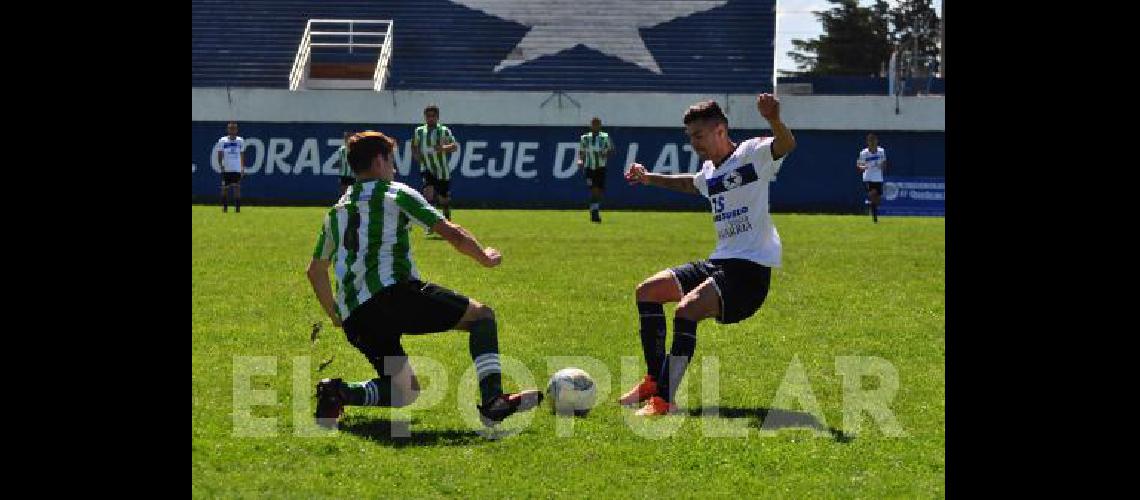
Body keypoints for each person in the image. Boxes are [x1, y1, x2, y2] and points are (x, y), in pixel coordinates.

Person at [306, 130, 541, 429]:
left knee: (405, 391)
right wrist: (485, 257)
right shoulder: (394, 193)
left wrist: (336, 315)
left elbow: (315, 270)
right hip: (394, 297)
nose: (394, 167)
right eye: (391, 160)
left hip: (357, 315)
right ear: (379, 161)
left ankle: (338, 392)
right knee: (482, 317)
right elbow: (451, 232)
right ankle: (493, 401)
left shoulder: (336, 211)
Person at [619, 95, 795, 416]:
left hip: (749, 273)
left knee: (686, 312)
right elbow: (692, 185)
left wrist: (774, 119)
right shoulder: (710, 169)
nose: (693, 143)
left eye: (698, 136)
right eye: (690, 137)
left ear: (719, 130)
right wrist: (649, 178)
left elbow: (786, 144)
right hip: (720, 262)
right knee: (648, 292)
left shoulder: (751, 154)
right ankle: (653, 382)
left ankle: (665, 400)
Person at [411, 105, 459, 232]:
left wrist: (443, 148)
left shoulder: (444, 130)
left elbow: (454, 146)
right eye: (428, 116)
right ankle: (430, 225)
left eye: (433, 116)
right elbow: (414, 146)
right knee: (428, 194)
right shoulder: (419, 131)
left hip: (442, 170)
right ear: (425, 117)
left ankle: (447, 221)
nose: (430, 119)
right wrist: (418, 157)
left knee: (444, 200)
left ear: (437, 117)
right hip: (426, 168)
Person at [577, 117, 613, 223]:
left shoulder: (605, 137)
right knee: (594, 189)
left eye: (597, 124)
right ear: (591, 126)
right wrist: (580, 161)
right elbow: (582, 152)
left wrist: (605, 153)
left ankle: (593, 209)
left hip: (601, 167)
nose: (595, 126)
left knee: (599, 191)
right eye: (593, 124)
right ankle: (595, 212)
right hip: (589, 167)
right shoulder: (585, 138)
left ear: (600, 126)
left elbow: (611, 150)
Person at [857, 133, 888, 223]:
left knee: (877, 201)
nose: (872, 143)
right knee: (872, 194)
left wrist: (881, 165)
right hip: (868, 178)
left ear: (877, 141)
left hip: (878, 178)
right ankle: (875, 219)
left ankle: (871, 203)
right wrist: (864, 167)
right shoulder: (863, 153)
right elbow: (859, 165)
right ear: (868, 142)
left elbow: (885, 164)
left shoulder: (881, 151)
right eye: (870, 141)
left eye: (874, 141)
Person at [216, 122, 245, 213]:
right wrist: (221, 165)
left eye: (234, 128)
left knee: (237, 188)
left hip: (236, 168)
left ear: (236, 130)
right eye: (230, 128)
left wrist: (242, 167)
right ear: (227, 129)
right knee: (224, 188)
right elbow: (220, 154)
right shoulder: (223, 140)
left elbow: (242, 154)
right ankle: (225, 208)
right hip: (227, 168)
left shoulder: (240, 140)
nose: (232, 130)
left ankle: (237, 209)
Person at [336, 131, 355, 197]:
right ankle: (342, 205)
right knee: (344, 193)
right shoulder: (342, 149)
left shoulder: (354, 148)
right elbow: (340, 162)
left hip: (353, 175)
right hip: (345, 174)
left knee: (352, 193)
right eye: (346, 138)